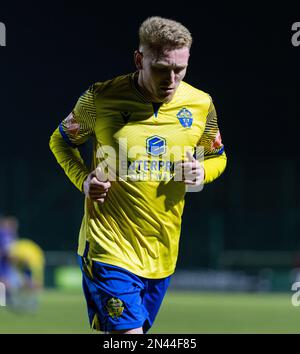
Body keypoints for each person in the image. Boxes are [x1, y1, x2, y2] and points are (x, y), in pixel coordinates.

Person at [49, 16, 227, 334]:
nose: (171, 79)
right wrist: (83, 180)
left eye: (179, 69)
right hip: (109, 248)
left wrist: (201, 173)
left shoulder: (201, 106)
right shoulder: (100, 98)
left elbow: (218, 157)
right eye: (161, 68)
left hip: (162, 253)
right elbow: (60, 140)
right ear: (139, 59)